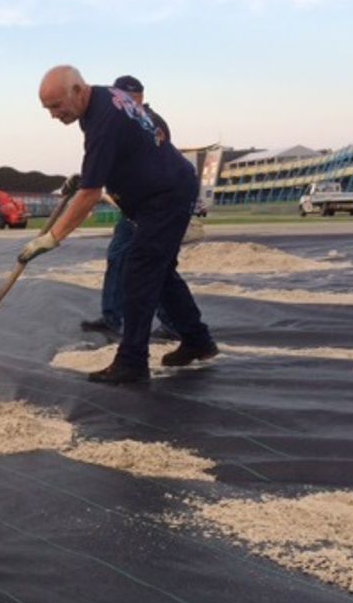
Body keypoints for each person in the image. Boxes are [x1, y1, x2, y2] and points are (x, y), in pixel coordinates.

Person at [22, 65, 217, 384]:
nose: (54, 115)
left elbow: (88, 197)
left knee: (138, 270)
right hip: (164, 189)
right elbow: (123, 151)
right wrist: (89, 173)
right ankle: (198, 340)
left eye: (57, 106)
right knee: (160, 272)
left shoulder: (103, 120)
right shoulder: (103, 99)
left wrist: (51, 238)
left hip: (165, 196)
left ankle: (132, 361)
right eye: (48, 109)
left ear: (77, 90)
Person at [81, 75, 181, 342]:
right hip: (132, 205)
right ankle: (112, 316)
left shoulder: (149, 121)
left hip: (154, 204)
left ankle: (173, 324)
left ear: (139, 97)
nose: (125, 101)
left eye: (131, 96)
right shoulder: (117, 117)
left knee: (152, 266)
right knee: (118, 256)